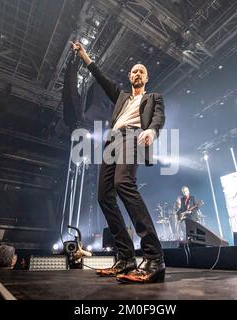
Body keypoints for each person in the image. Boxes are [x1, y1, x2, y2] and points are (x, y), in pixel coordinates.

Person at [71, 41, 166, 284]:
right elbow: (101, 79)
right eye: (134, 71)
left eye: (141, 71)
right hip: (113, 141)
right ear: (129, 76)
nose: (137, 74)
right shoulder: (122, 97)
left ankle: (154, 257)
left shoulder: (154, 97)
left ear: (146, 78)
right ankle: (125, 258)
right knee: (104, 196)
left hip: (134, 136)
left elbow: (158, 118)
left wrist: (152, 132)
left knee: (124, 183)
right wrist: (85, 57)